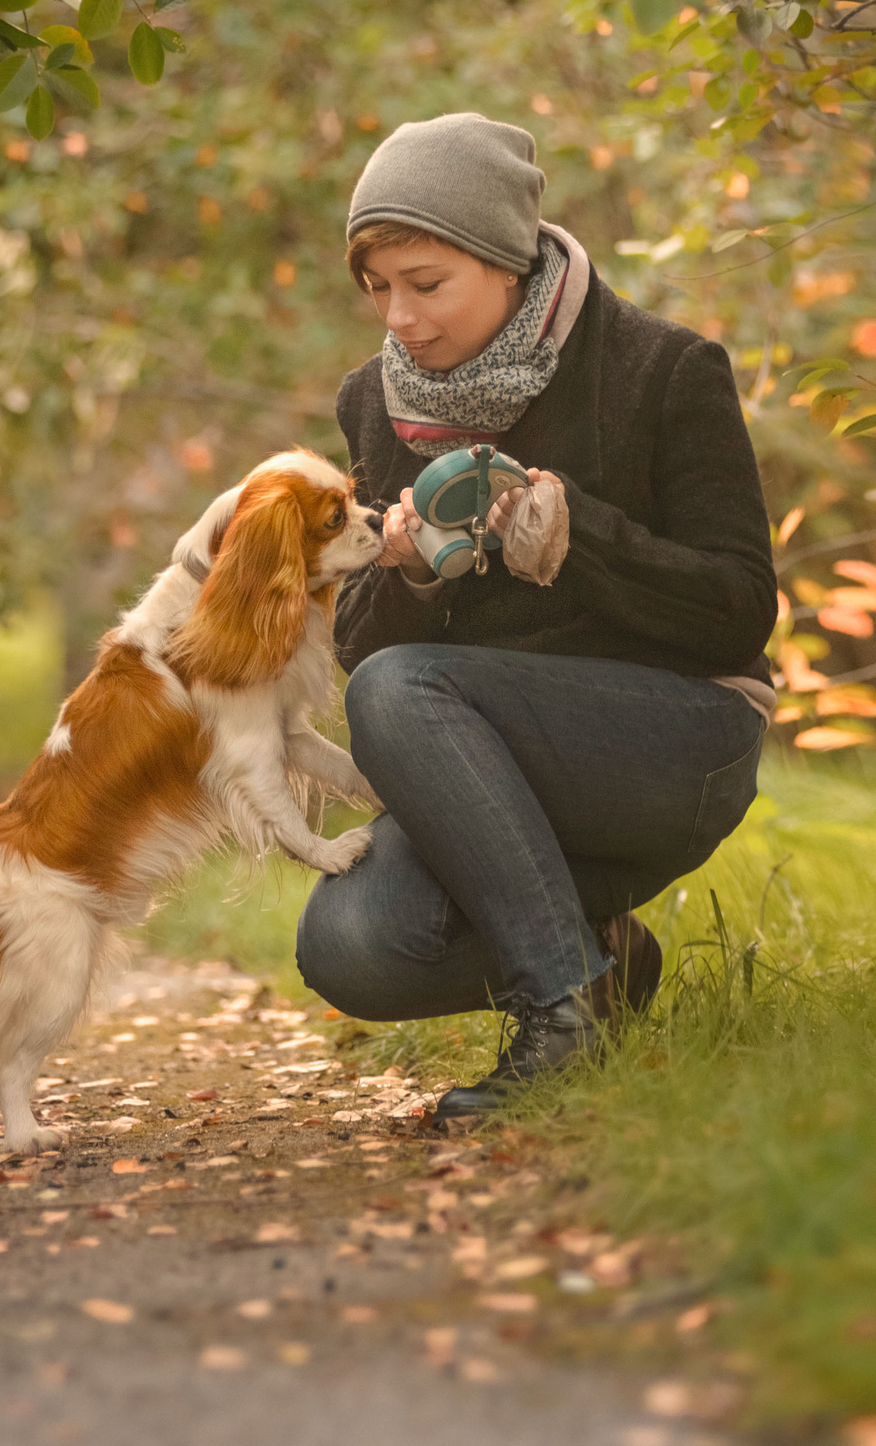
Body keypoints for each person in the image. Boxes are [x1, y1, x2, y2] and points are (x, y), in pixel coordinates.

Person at [293, 112, 779, 1125]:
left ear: (507, 260)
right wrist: (409, 577)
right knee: (348, 946)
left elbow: (737, 615)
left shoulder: (663, 369)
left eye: (426, 284)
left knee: (401, 688)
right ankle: (598, 958)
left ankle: (561, 1015)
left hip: (671, 748)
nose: (399, 319)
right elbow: (362, 654)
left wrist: (578, 542)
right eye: (377, 288)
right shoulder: (372, 408)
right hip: (486, 775)